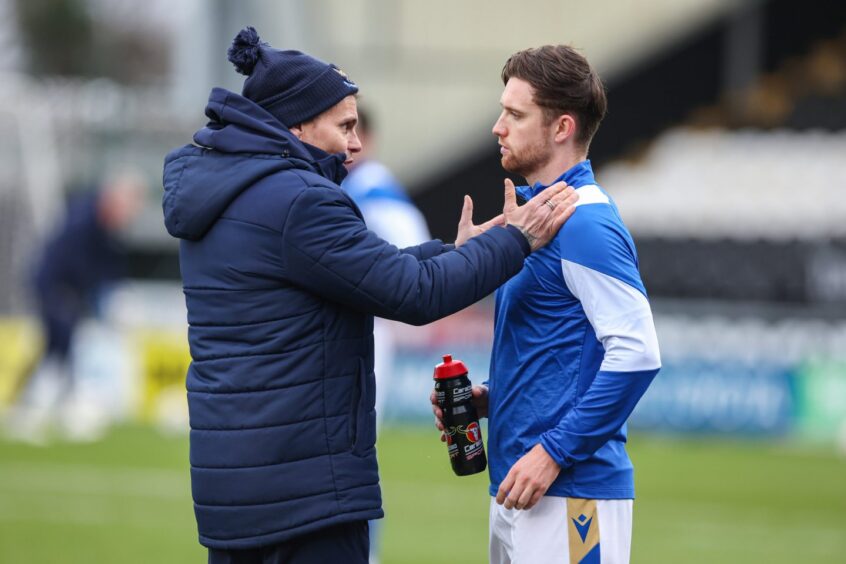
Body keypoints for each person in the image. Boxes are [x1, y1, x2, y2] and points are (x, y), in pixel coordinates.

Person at [161, 27, 578, 564]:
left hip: (236, 489)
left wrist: (456, 250)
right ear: (299, 124)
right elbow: (415, 295)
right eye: (345, 126)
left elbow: (367, 271)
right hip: (304, 493)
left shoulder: (232, 191)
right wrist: (515, 240)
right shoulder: (300, 201)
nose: (356, 144)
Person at [432, 45, 662, 564]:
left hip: (571, 491)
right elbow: (561, 350)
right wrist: (491, 397)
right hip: (521, 485)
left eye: (515, 114)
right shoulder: (538, 220)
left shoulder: (586, 223)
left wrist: (554, 452)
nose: (498, 126)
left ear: (561, 128)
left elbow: (638, 353)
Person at [340, 107, 430, 564]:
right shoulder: (352, 187)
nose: (346, 144)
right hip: (354, 333)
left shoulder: (370, 187)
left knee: (351, 450)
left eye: (350, 130)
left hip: (365, 335)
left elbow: (412, 252)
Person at [5, 171, 144, 444]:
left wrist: (114, 294)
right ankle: (38, 408)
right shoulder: (85, 219)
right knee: (60, 341)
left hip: (68, 290)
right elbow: (68, 260)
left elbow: (108, 268)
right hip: (53, 285)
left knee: (55, 346)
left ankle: (34, 408)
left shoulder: (104, 226)